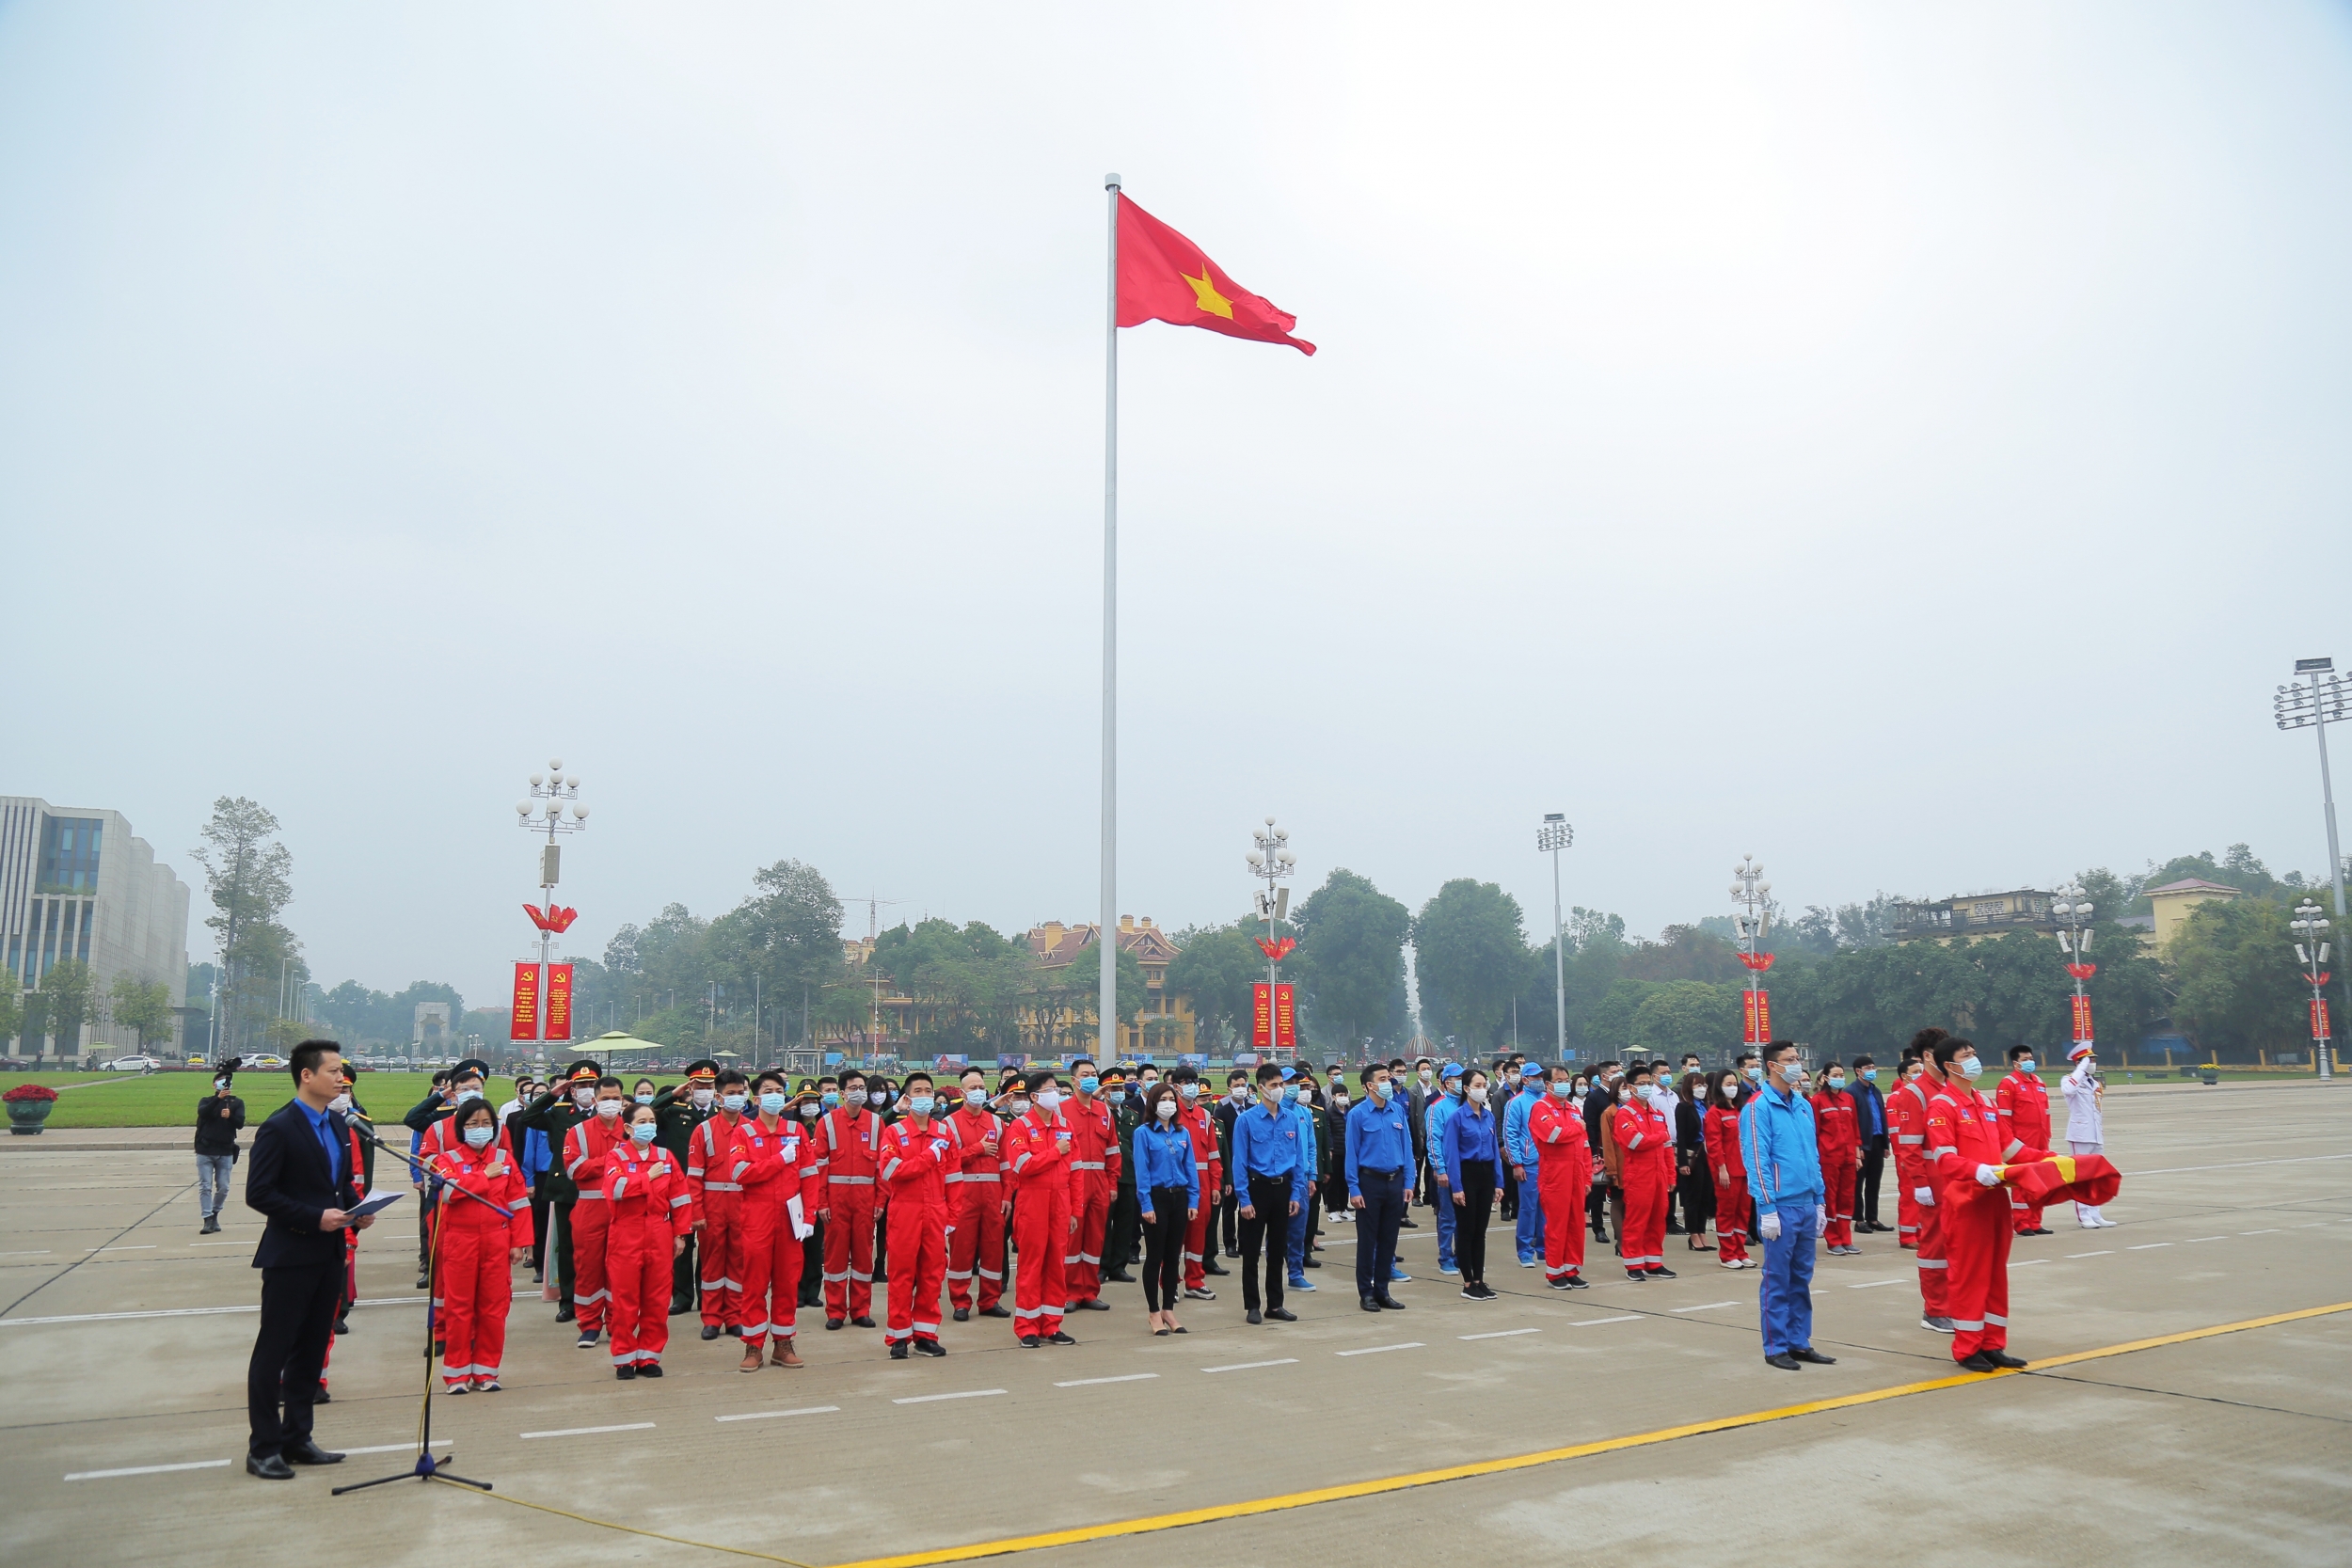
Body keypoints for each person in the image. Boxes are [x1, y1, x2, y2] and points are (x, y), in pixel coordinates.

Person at [243, 1040, 373, 1480]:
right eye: (334, 1071)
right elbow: (259, 1193)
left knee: (312, 1350)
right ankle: (263, 1447)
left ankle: (298, 1437)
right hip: (291, 1254)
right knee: (274, 1352)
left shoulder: (338, 1126)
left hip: (330, 1254)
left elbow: (338, 1186)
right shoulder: (279, 1128)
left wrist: (359, 1208)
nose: (342, 1079)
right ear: (307, 1075)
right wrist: (315, 1217)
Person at [1924, 1037, 2033, 1373]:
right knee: (1970, 1277)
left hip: (1996, 1201)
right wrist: (1979, 1171)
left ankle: (1993, 1344)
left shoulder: (1984, 1102)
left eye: (1974, 1053)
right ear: (1950, 1067)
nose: (1974, 1060)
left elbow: (2011, 1148)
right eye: (1966, 1056)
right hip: (1967, 1203)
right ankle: (1967, 1348)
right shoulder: (1942, 1105)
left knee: (1996, 1275)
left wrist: (2052, 1161)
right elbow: (1945, 1158)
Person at [1740, 1041, 1835, 1371]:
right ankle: (1776, 1345)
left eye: (1798, 1058)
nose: (1797, 1064)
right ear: (1772, 1065)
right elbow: (1757, 1160)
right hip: (1780, 1206)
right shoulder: (1757, 1108)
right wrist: (1766, 1208)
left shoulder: (1804, 1106)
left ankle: (1799, 1340)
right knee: (1778, 1278)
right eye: (1789, 1059)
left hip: (1807, 1202)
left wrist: (1820, 1200)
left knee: (1801, 1277)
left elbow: (1813, 1156)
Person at [427, 1099, 534, 1392]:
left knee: (493, 1309)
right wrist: (482, 1177)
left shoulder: (504, 1159)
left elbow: (519, 1202)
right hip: (460, 1241)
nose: (480, 1129)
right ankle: (457, 1375)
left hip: (496, 1241)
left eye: (486, 1123)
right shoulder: (446, 1160)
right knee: (459, 1308)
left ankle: (487, 1372)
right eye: (473, 1124)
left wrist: (519, 1242)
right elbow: (448, 1193)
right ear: (461, 1128)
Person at [731, 1071, 818, 1370]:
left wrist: (809, 1216)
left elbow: (809, 1176)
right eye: (768, 1090)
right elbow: (740, 1174)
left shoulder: (796, 1131)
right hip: (757, 1215)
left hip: (790, 1216)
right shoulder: (743, 1133)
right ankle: (753, 1346)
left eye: (779, 1090)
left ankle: (782, 1344)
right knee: (754, 1282)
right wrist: (778, 1160)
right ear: (756, 1099)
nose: (774, 1095)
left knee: (786, 1282)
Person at [601, 1102, 691, 1379]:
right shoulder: (615, 1157)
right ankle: (624, 1359)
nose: (648, 1125)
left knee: (656, 1299)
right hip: (626, 1232)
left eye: (651, 1120)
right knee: (625, 1299)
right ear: (628, 1128)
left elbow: (680, 1197)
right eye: (642, 1121)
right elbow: (614, 1190)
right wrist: (645, 1178)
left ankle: (649, 1357)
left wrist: (680, 1234)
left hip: (659, 1231)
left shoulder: (665, 1157)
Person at [514, 1060, 605, 1324]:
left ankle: (600, 1300)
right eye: (581, 1085)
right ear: (572, 1090)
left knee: (600, 1248)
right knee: (567, 1248)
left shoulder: (608, 1115)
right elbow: (528, 1118)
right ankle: (569, 1301)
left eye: (591, 1085)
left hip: (600, 1190)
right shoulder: (560, 1112)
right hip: (567, 1189)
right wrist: (551, 1095)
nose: (587, 1090)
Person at [878, 1070, 957, 1359]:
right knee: (901, 1275)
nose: (924, 1096)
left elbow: (954, 1178)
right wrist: (928, 1158)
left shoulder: (945, 1133)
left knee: (932, 1275)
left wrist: (952, 1217)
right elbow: (891, 1172)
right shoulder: (894, 1133)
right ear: (908, 1099)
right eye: (918, 1091)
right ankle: (898, 1337)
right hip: (905, 1212)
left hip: (936, 1211)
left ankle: (926, 1335)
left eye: (928, 1090)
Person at [1002, 1069, 1078, 1346]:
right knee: (1031, 1265)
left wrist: (1074, 1210)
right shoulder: (1020, 1127)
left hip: (1060, 1201)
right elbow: (1023, 1166)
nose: (1055, 1094)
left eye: (1056, 1089)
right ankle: (1027, 1327)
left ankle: (1052, 1325)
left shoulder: (1066, 1126)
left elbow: (1076, 1171)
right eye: (1049, 1090)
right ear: (1035, 1096)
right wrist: (1056, 1151)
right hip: (1032, 1201)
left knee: (1056, 1265)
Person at [1232, 1065, 1308, 1323]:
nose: (1279, 1090)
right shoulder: (1247, 1120)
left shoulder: (1291, 1119)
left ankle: (1275, 1304)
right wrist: (1244, 1199)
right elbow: (1239, 1162)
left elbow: (1297, 1159)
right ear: (1261, 1087)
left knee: (1277, 1250)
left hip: (1283, 1188)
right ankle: (1252, 1305)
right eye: (1274, 1085)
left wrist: (1296, 1193)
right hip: (1256, 1188)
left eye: (1280, 1085)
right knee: (1251, 1251)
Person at [1891, 1032, 1955, 1332]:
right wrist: (1921, 1183)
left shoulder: (1952, 1087)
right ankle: (1935, 1309)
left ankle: (1955, 1303)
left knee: (1958, 1247)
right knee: (1935, 1247)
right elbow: (1909, 1144)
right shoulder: (1914, 1093)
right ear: (1928, 1056)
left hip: (1958, 1179)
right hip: (1934, 1181)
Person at [685, 1069, 754, 1341]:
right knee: (712, 1264)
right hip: (713, 1205)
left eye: (741, 1093)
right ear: (718, 1097)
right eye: (731, 1094)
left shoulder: (751, 1129)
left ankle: (734, 1317)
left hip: (742, 1203)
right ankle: (711, 1318)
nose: (737, 1098)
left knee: (738, 1262)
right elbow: (694, 1177)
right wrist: (697, 1213)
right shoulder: (703, 1130)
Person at [651, 1059, 721, 1313]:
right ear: (691, 1087)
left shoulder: (720, 1115)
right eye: (699, 1085)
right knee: (682, 1241)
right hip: (680, 1188)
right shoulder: (675, 1112)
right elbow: (649, 1112)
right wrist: (673, 1094)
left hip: (711, 1188)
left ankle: (707, 1296)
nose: (704, 1089)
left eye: (709, 1085)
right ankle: (681, 1296)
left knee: (709, 1246)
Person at [1132, 1081, 1200, 1334]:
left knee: (1174, 1257)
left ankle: (1168, 1310)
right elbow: (1142, 1172)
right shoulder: (1144, 1133)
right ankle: (1153, 1312)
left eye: (1172, 1099)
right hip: (1156, 1198)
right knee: (1155, 1256)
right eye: (1163, 1100)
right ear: (1153, 1104)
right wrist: (1146, 1205)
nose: (1168, 1104)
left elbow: (1190, 1168)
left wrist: (1193, 1200)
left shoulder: (1183, 1133)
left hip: (1179, 1197)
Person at [1343, 1062, 1413, 1311]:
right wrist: (1354, 1188)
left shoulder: (1397, 1112)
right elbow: (1351, 1154)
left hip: (1395, 1182)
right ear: (1369, 1086)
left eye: (1389, 1078)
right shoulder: (1358, 1114)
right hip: (1369, 1182)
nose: (1389, 1082)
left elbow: (1407, 1148)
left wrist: (1409, 1182)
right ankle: (1366, 1293)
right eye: (1383, 1079)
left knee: (1388, 1240)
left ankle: (1383, 1290)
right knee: (1368, 1240)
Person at [818, 1069, 883, 1330]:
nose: (859, 1092)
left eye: (861, 1087)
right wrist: (821, 1202)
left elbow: (882, 1166)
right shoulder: (828, 1123)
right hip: (836, 1200)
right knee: (834, 1258)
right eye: (853, 1088)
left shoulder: (877, 1123)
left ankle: (860, 1310)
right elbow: (819, 1166)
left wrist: (880, 1200)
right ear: (842, 1093)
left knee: (863, 1256)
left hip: (866, 1200)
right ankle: (835, 1311)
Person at [946, 1067, 1010, 1321]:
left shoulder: (996, 1122)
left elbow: (1006, 1164)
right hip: (964, 1197)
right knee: (962, 1251)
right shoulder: (950, 1123)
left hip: (993, 1197)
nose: (978, 1092)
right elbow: (948, 1162)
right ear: (962, 1092)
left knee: (994, 1250)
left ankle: (990, 1301)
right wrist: (977, 1149)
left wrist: (1007, 1196)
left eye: (981, 1087)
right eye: (972, 1088)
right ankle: (960, 1302)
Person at [1060, 1058, 1120, 1311]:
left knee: (1095, 1238)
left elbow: (1113, 1150)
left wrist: (1112, 1182)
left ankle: (1090, 1291)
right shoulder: (1062, 1111)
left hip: (1099, 1182)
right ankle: (1070, 1292)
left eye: (1093, 1073)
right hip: (1073, 1182)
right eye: (1085, 1074)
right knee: (1073, 1239)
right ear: (1074, 1080)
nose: (1090, 1077)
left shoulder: (1104, 1111)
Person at [1527, 1067, 1593, 1290]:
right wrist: (1577, 1127)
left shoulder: (1574, 1109)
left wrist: (1586, 1178)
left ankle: (1571, 1269)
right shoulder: (1541, 1108)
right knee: (1557, 1224)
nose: (1565, 1084)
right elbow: (1553, 1135)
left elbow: (1584, 1145)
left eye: (1567, 1080)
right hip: (1555, 1174)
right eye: (1559, 1080)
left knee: (1576, 1224)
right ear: (1548, 1084)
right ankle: (1555, 1272)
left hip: (1576, 1172)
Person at [1611, 1064, 1676, 1282]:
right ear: (1631, 1087)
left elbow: (1668, 1148)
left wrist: (1670, 1175)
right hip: (1639, 1176)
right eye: (1642, 1084)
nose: (1646, 1087)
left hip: (1659, 1174)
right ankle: (1634, 1263)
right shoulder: (1625, 1114)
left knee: (1658, 1219)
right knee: (1637, 1221)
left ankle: (1654, 1261)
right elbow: (1636, 1142)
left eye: (1649, 1083)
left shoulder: (1657, 1114)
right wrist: (1660, 1136)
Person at [1441, 1067, 1501, 1301]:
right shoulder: (1457, 1118)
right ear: (1466, 1089)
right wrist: (1456, 1187)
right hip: (1466, 1174)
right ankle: (1467, 1282)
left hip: (1486, 1175)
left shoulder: (1487, 1116)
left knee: (1480, 1231)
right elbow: (1452, 1154)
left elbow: (1494, 1150)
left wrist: (1498, 1182)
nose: (1482, 1089)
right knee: (1466, 1231)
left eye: (1484, 1085)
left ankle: (1479, 1279)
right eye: (1477, 1086)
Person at [1173, 1068, 1224, 1298]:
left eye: (1195, 1081)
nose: (1192, 1085)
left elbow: (1213, 1154)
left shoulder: (1205, 1116)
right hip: (1176, 1184)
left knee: (1197, 1235)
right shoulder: (1169, 1113)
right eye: (1187, 1081)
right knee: (1174, 1237)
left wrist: (1215, 1185)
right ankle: (1170, 1282)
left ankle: (1194, 1281)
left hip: (1202, 1185)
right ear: (1176, 1086)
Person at [1997, 1046, 2055, 1235]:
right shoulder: (2008, 1084)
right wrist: (2010, 1143)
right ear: (2016, 1063)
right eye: (2025, 1059)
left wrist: (2047, 1135)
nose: (2030, 1061)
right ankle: (2022, 1223)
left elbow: (2045, 1113)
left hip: (2040, 1139)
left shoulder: (2039, 1082)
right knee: (2022, 1183)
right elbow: (2004, 1118)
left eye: (2031, 1057)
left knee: (2040, 1180)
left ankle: (2036, 1221)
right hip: (2021, 1142)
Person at [1702, 1071, 1753, 1269]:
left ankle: (1740, 1251)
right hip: (1727, 1170)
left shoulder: (1742, 1110)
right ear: (1719, 1087)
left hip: (1745, 1169)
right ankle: (1728, 1253)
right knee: (1727, 1212)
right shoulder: (1715, 1113)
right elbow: (1714, 1144)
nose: (1732, 1086)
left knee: (1743, 1211)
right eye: (1728, 1083)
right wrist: (1722, 1168)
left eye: (1734, 1083)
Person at [2060, 1045, 2113, 1227]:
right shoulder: (2069, 1080)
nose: (2093, 1063)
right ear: (2079, 1062)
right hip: (2080, 1134)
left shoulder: (2095, 1083)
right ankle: (2084, 1216)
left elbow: (2097, 1110)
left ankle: (2096, 1213)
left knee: (2096, 1177)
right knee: (2081, 1177)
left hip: (2096, 1134)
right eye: (2089, 1060)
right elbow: (2068, 1091)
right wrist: (2080, 1069)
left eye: (2093, 1060)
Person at [1813, 1062, 1861, 1255]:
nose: (1839, 1078)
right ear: (1825, 1077)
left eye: (1841, 1074)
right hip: (1828, 1158)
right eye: (1835, 1074)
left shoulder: (1848, 1099)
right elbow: (1815, 1132)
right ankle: (1833, 1241)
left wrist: (1857, 1154)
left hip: (1848, 1157)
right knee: (1830, 1200)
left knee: (1847, 1199)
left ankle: (1846, 1238)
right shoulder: (1817, 1101)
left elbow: (1855, 1128)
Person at [1102, 1065, 1144, 1284]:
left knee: (1125, 1224)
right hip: (1105, 1177)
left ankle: (1118, 1266)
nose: (1118, 1091)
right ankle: (1102, 1265)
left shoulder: (1131, 1115)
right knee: (1103, 1225)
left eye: (1120, 1087)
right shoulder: (1099, 1113)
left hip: (1128, 1176)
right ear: (1104, 1091)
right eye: (1112, 1087)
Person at [1502, 1062, 1545, 1269]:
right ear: (1525, 1080)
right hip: (1529, 1163)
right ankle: (1525, 1251)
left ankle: (1545, 1248)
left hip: (1550, 1163)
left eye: (1541, 1077)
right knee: (1528, 1208)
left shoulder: (1547, 1100)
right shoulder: (1516, 1103)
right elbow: (1510, 1134)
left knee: (1547, 1208)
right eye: (1535, 1078)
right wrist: (1516, 1163)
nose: (1540, 1081)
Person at [1424, 1061, 1466, 1275]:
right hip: (1449, 1170)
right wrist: (1439, 1168)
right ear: (1445, 1083)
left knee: (1466, 1218)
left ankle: (1462, 1256)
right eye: (1456, 1079)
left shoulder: (1469, 1104)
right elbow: (1433, 1140)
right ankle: (1445, 1257)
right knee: (1448, 1216)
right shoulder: (1437, 1107)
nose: (1460, 1083)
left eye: (1462, 1078)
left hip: (1469, 1169)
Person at [195, 1065, 246, 1234]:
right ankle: (207, 1218)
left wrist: (230, 1116)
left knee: (223, 1187)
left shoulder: (237, 1103)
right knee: (205, 1186)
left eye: (226, 1082)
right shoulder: (207, 1101)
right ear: (214, 1085)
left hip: (225, 1150)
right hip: (205, 1150)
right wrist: (218, 1099)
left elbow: (240, 1124)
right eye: (220, 1082)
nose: (224, 1085)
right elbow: (203, 1113)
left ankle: (215, 1213)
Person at [1283, 1071, 1323, 1293]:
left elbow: (1311, 1146)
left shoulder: (1304, 1113)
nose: (1294, 1087)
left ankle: (1296, 1274)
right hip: (1279, 1179)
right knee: (1277, 1232)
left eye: (1296, 1083)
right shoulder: (1273, 1112)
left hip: (1301, 1179)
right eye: (1289, 1083)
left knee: (1298, 1230)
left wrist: (1312, 1176)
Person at [1673, 1072, 1716, 1255]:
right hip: (1692, 1154)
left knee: (1706, 1196)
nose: (1702, 1089)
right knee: (1693, 1197)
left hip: (1708, 1155)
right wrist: (1682, 1162)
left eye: (1704, 1085)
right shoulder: (1683, 1107)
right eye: (1697, 1085)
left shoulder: (1707, 1106)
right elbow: (1680, 1137)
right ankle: (1693, 1234)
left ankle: (1702, 1232)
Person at [1581, 1062, 1624, 1244]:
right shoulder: (1595, 1097)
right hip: (1600, 1149)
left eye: (1619, 1071)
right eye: (1614, 1072)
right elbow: (1590, 1126)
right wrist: (1592, 1152)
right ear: (1604, 1076)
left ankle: (1620, 1230)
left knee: (1618, 1194)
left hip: (1620, 1151)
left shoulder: (1621, 1097)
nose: (1619, 1074)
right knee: (1598, 1192)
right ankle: (1598, 1227)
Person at [1850, 1056, 1890, 1233]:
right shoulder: (1851, 1092)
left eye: (1874, 1067)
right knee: (1858, 1183)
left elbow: (1882, 1117)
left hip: (1878, 1140)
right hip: (1862, 1143)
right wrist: (1857, 1147)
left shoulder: (1876, 1091)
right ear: (1858, 1071)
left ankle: (1872, 1218)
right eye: (1868, 1067)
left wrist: (1886, 1143)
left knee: (1874, 1182)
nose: (1872, 1070)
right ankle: (1859, 1219)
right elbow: (1852, 1122)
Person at [1215, 1069, 1250, 1259]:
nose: (1240, 1089)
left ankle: (1246, 1242)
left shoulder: (1253, 1106)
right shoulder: (1222, 1109)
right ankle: (1230, 1243)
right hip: (1230, 1163)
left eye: (1243, 1085)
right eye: (1236, 1086)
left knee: (1248, 1205)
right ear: (1229, 1089)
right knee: (1230, 1207)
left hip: (1250, 1165)